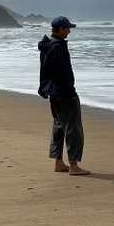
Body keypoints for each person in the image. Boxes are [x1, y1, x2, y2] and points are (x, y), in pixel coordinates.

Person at [37, 16, 89, 176]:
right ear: (60, 29)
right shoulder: (58, 46)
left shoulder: (48, 45)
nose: (69, 31)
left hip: (52, 91)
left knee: (59, 126)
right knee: (73, 128)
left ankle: (59, 163)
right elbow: (62, 72)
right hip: (63, 92)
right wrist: (70, 91)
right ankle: (74, 166)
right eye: (67, 28)